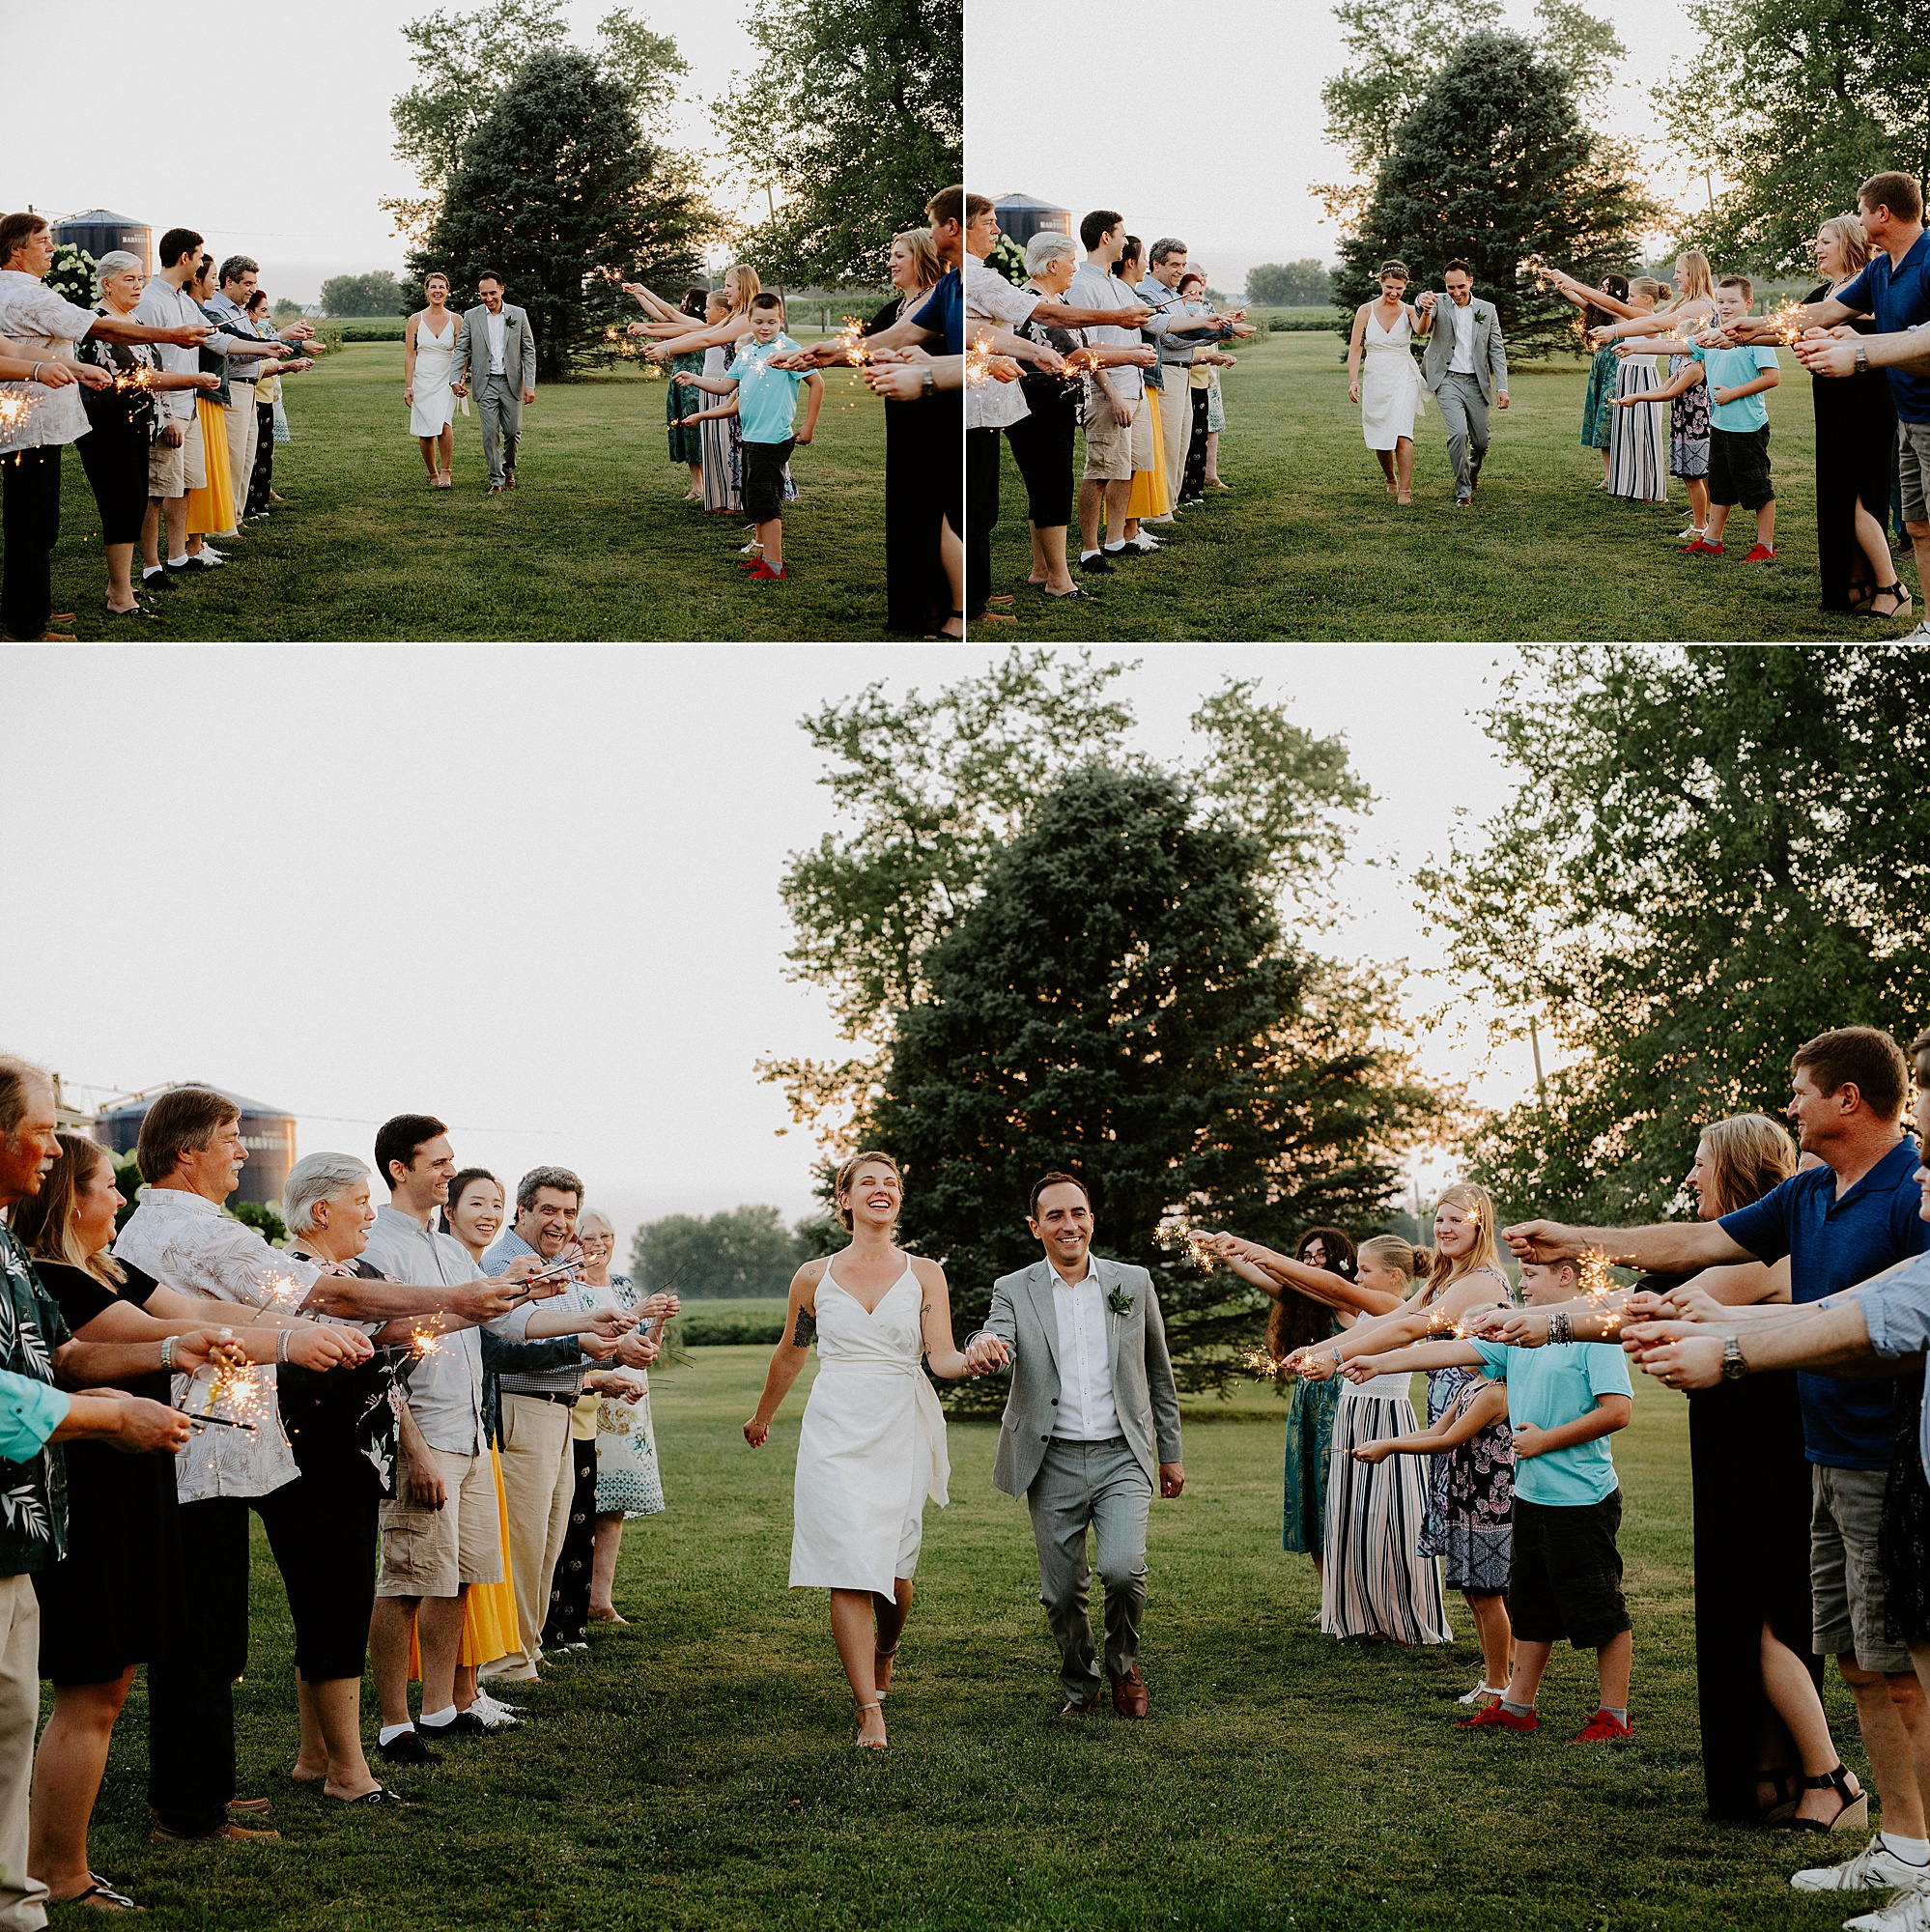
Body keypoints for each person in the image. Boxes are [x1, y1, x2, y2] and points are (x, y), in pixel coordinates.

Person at [1513, 1026, 1930, 1903]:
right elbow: (1693, 1244)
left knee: (1907, 1672)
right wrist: (1580, 1236)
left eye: (1800, 1090)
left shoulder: (1909, 1196)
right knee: (1856, 1660)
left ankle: (1912, 1854)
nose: (1791, 1105)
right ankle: (1901, 1842)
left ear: (1846, 1098)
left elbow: (1892, 1326)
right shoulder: (1812, 1191)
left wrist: (1730, 1351)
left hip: (1892, 1465)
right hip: (1822, 1455)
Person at [112, 1087, 525, 1832]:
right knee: (203, 1639)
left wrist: (464, 1308)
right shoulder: (190, 1228)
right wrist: (462, 1295)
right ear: (187, 1152)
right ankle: (192, 1805)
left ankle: (205, 1784)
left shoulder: (177, 1224)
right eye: (232, 1137)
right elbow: (315, 1293)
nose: (243, 1150)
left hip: (208, 1450)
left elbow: (288, 1311)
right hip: (200, 1451)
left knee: (210, 1637)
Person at [1489, 1115, 1857, 1827]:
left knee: (1763, 1619)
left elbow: (1646, 1307)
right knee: (1744, 1617)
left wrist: (1556, 1321)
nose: (1690, 1177)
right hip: (1733, 1452)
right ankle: (1773, 1777)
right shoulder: (1748, 1247)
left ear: (1740, 1168)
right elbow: (1661, 1277)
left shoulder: (1769, 1251)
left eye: (1700, 1163)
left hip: (1766, 1457)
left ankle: (1831, 1778)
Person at [8, 1128, 307, 1902]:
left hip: (122, 1475)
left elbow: (85, 1358)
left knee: (104, 1687)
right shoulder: (49, 1270)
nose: (120, 1197)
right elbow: (89, 1360)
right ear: (67, 1200)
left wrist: (235, 1343)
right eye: (107, 1184)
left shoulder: (84, 1266)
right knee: (92, 1687)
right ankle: (57, 1874)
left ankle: (49, 1868)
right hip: (85, 1489)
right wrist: (161, 1367)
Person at [364, 1128, 643, 1753]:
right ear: (399, 1168)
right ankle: (394, 1722)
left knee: (461, 1578)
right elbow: (387, 1351)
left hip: (471, 1434)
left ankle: (441, 1707)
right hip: (428, 1438)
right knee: (407, 1582)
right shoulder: (381, 1247)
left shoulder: (447, 1251)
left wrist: (579, 1317)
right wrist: (413, 1446)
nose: (449, 1173)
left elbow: (491, 1320)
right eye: (440, 1165)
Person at [0, 1058, 202, 1921]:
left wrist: (153, 1364)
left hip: (25, 1529)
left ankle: (20, 1897)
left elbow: (57, 1358)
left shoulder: (5, 1243)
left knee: (11, 1727)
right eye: (42, 1128)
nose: (54, 1145)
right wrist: (108, 1421)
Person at [1350, 1253, 1635, 1740]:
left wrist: (1546, 1440)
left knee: (1598, 1609)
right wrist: (1376, 1360)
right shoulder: (1518, 1338)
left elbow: (1618, 1412)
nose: (1519, 1283)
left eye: (1531, 1274)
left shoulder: (1594, 1335)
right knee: (1531, 1608)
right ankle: (1518, 1706)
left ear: (1565, 1276)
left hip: (1582, 1501)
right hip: (1531, 1497)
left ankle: (1614, 1716)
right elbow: (1442, 1353)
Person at [745, 1153, 972, 1749]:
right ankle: (869, 1708)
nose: (881, 1190)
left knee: (894, 1578)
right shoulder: (813, 1277)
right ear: (844, 1199)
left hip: (900, 1423)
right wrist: (763, 1414)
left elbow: (942, 1357)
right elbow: (792, 1351)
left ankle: (886, 1648)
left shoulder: (926, 1273)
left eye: (891, 1182)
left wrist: (973, 1360)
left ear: (899, 1199)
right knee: (847, 1565)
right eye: (866, 1182)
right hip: (834, 1425)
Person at [961, 1172, 1184, 1720]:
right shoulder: (1014, 1289)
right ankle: (1080, 1685)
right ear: (1036, 1227)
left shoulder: (1132, 1282)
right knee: (1061, 1594)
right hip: (1051, 1459)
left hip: (1121, 1457)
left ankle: (1123, 1665)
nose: (1069, 1225)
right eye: (1055, 1216)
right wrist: (983, 1345)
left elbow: (1159, 1371)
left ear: (1091, 1219)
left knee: (1123, 1569)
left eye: (1078, 1213)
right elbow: (995, 1333)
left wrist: (1170, 1452)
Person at [1295, 1184, 1518, 1704]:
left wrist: (1336, 1359)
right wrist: (1321, 1348)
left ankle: (1503, 1681)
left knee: (1483, 1573)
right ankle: (1499, 1674)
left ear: (1479, 1223)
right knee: (1471, 1573)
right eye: (1438, 1219)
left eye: (1456, 1220)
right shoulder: (1448, 1277)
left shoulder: (1481, 1281)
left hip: (1482, 1433)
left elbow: (1410, 1332)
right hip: (1450, 1429)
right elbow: (1393, 1321)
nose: (1443, 1229)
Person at [1211, 1228, 1446, 1640]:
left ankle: (1398, 1616)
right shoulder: (1377, 1311)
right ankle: (1361, 1615)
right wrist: (1316, 1353)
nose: (1356, 1278)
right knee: (1352, 1520)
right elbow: (1330, 1306)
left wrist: (1257, 1248)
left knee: (1386, 1521)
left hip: (1384, 1419)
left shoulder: (1394, 1303)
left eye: (1365, 1271)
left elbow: (1334, 1287)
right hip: (1354, 1416)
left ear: (1394, 1276)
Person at [0, 211, 210, 640]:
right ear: (16, 250)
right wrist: (171, 336)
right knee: (33, 526)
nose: (51, 249)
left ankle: (28, 608)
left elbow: (16, 350)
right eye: (43, 241)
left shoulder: (18, 290)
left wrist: (73, 367)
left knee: (33, 525)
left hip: (31, 426)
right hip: (32, 427)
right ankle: (25, 626)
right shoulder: (26, 294)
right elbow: (97, 327)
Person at [1738, 171, 1930, 633]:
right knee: (1920, 527)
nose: (1859, 222)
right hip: (1909, 414)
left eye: (1861, 212)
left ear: (1882, 213)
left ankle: (1892, 591)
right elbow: (1824, 311)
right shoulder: (1883, 269)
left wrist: (1859, 355)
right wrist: (1757, 326)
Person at [1003, 231, 1151, 604]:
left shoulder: (1058, 300)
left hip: (1055, 408)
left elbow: (1085, 345)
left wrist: (1129, 347)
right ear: (1052, 265)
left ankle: (1041, 571)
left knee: (1045, 489)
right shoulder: (1034, 303)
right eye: (1071, 262)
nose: (1075, 268)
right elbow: (1076, 358)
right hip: (1038, 409)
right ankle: (1059, 580)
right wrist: (1130, 357)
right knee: (1052, 488)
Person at [73, 250, 219, 622]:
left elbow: (153, 372)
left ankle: (118, 586)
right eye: (129, 280)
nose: (138, 285)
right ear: (107, 284)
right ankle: (120, 594)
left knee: (134, 504)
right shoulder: (100, 324)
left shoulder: (134, 319)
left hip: (140, 427)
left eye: (141, 278)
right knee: (122, 507)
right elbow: (134, 378)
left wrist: (167, 415)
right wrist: (193, 379)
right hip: (108, 429)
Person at [432, 1167, 524, 1722]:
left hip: (476, 1429)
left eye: (497, 1204)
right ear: (450, 1208)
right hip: (441, 1434)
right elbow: (502, 1347)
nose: (489, 1213)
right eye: (477, 1203)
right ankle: (446, 1698)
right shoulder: (446, 1267)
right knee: (439, 1576)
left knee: (473, 1574)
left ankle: (465, 1691)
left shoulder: (472, 1265)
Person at [1623, 274, 1780, 560]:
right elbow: (1677, 346)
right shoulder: (1710, 336)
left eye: (1733, 301)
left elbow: (1773, 377)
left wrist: (1732, 393)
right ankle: (1712, 540)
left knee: (1757, 488)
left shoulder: (1756, 337)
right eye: (1721, 301)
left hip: (1748, 428)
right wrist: (1635, 346)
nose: (1726, 306)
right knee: (1719, 488)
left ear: (1749, 303)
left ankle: (1764, 546)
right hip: (1719, 426)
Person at [1802, 216, 1908, 617]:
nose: (1817, 248)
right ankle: (1854, 585)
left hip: (1867, 401)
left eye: (1825, 241)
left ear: (1848, 242)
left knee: (1858, 498)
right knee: (1836, 497)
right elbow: (1789, 327)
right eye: (1816, 242)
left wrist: (1852, 338)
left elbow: (1897, 334)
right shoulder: (1824, 293)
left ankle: (1891, 588)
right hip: (1832, 404)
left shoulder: (1870, 286)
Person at [680, 294, 822, 582]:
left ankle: (774, 565)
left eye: (772, 321)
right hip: (752, 437)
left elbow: (817, 383)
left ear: (781, 320)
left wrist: (808, 427)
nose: (765, 327)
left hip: (774, 439)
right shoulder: (746, 353)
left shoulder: (789, 349)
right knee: (753, 497)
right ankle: (764, 553)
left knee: (766, 500)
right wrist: (694, 379)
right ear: (750, 321)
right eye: (758, 321)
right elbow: (724, 386)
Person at [573, 1210, 664, 1626]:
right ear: (573, 1241)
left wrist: (658, 1319)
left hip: (628, 1404)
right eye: (588, 1236)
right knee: (578, 1506)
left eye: (606, 1235)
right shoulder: (568, 1288)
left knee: (613, 1510)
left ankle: (601, 1600)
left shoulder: (625, 1287)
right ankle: (568, 1601)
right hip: (588, 1401)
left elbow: (644, 1347)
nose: (598, 1244)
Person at [859, 229, 951, 632]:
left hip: (933, 419)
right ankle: (909, 606)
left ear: (922, 257)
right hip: (900, 421)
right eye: (890, 256)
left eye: (899, 256)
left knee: (929, 509)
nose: (892, 262)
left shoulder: (938, 302)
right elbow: (861, 349)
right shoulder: (895, 308)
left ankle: (936, 606)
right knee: (905, 509)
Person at [1065, 212, 1157, 578]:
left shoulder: (1118, 285)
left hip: (1133, 386)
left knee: (1127, 468)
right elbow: (1083, 347)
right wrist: (1113, 395)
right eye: (1121, 235)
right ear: (1105, 237)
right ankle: (1090, 550)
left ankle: (1116, 538)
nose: (1126, 241)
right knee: (1100, 470)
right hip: (1107, 392)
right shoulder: (1082, 286)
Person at [1135, 237, 1250, 510]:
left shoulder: (1174, 295)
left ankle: (1170, 505)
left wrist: (1221, 323)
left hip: (1185, 371)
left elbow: (1189, 327)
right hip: (1166, 373)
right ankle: (1158, 510)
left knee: (1181, 444)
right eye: (1175, 264)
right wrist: (1223, 332)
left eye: (1183, 263)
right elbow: (1172, 338)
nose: (1180, 270)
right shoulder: (1147, 294)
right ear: (1156, 264)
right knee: (1167, 443)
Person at [203, 255, 312, 534]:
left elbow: (258, 344)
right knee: (233, 458)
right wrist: (278, 341)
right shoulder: (217, 310)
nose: (253, 289)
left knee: (246, 458)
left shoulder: (240, 311)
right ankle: (224, 524)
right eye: (248, 283)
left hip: (251, 389)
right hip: (234, 389)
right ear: (229, 282)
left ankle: (236, 518)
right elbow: (236, 353)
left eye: (255, 283)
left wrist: (285, 341)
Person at [1417, 260, 1510, 507]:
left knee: (1481, 441)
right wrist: (1422, 303)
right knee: (1458, 433)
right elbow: (1422, 304)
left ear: (1471, 281)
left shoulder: (1487, 310)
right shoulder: (1437, 302)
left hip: (1477, 382)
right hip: (1447, 379)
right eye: (1450, 287)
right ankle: (1463, 491)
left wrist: (1502, 386)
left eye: (1460, 286)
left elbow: (1497, 350)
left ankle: (1472, 470)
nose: (1456, 293)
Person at [448, 271, 537, 494]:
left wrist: (530, 384)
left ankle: (508, 469)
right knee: (489, 433)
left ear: (502, 290)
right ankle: (496, 479)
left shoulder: (518, 314)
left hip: (512, 383)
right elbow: (461, 349)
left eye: (492, 293)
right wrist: (454, 379)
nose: (488, 298)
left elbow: (528, 350)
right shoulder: (471, 316)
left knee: (512, 431)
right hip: (484, 383)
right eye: (483, 294)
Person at [1348, 260, 1426, 504]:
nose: (1394, 293)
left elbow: (1422, 330)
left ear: (1405, 288)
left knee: (1403, 433)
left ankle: (1405, 490)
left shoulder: (1410, 311)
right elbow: (1356, 347)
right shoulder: (1366, 311)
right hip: (1376, 374)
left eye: (1399, 289)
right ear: (1381, 282)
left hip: (1404, 374)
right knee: (1382, 435)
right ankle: (1390, 479)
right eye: (1389, 287)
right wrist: (1353, 380)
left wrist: (1428, 311)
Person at [1544, 270, 1631, 482]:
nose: (1602, 289)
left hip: (1617, 365)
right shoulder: (1596, 310)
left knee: (1612, 416)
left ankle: (1623, 473)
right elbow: (1574, 296)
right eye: (1601, 286)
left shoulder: (1623, 311)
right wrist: (1558, 280)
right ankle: (1609, 476)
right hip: (1600, 365)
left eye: (1607, 286)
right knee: (1602, 419)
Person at [1605, 280, 1670, 504]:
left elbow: (1615, 306)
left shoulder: (1652, 322)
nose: (1628, 300)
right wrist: (1573, 289)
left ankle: (1649, 490)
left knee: (1644, 432)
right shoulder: (1632, 320)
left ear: (1647, 300)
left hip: (1643, 379)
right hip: (1625, 375)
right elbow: (1611, 307)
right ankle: (1628, 485)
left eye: (1632, 296)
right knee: (1625, 430)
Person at [405, 271, 460, 488]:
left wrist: (459, 379)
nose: (438, 291)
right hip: (422, 378)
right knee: (426, 429)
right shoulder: (415, 320)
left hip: (446, 377)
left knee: (444, 424)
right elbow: (410, 354)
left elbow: (462, 353)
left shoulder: (456, 319)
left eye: (442, 287)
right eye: (433, 287)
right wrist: (408, 386)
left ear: (447, 291)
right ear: (426, 291)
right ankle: (432, 473)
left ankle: (446, 471)